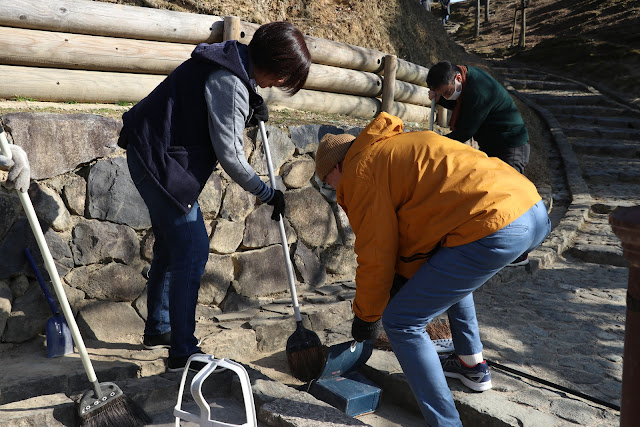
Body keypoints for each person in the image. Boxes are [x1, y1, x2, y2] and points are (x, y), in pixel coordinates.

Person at [314, 112, 550, 426]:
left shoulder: (360, 172)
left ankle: (446, 424)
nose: (333, 190)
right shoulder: (393, 149)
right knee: (444, 269)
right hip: (530, 208)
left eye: (328, 182)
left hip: (495, 221)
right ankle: (471, 364)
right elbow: (420, 232)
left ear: (336, 167)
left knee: (401, 322)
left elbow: (375, 254)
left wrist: (366, 317)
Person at [118, 21, 311, 372]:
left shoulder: (234, 62)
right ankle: (183, 352)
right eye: (287, 78)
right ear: (280, 70)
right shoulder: (231, 80)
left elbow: (213, 110)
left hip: (152, 150)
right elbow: (231, 156)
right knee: (192, 250)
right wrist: (267, 193)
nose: (282, 86)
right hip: (158, 158)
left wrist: (252, 108)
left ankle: (159, 328)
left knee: (171, 245)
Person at [428, 60, 532, 265]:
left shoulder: (479, 89)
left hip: (511, 146)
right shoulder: (466, 81)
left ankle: (521, 253)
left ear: (457, 78)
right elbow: (458, 102)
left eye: (447, 92)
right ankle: (504, 247)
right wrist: (440, 99)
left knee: (511, 198)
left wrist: (432, 142)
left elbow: (466, 131)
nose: (447, 96)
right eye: (442, 94)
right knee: (494, 198)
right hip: (493, 145)